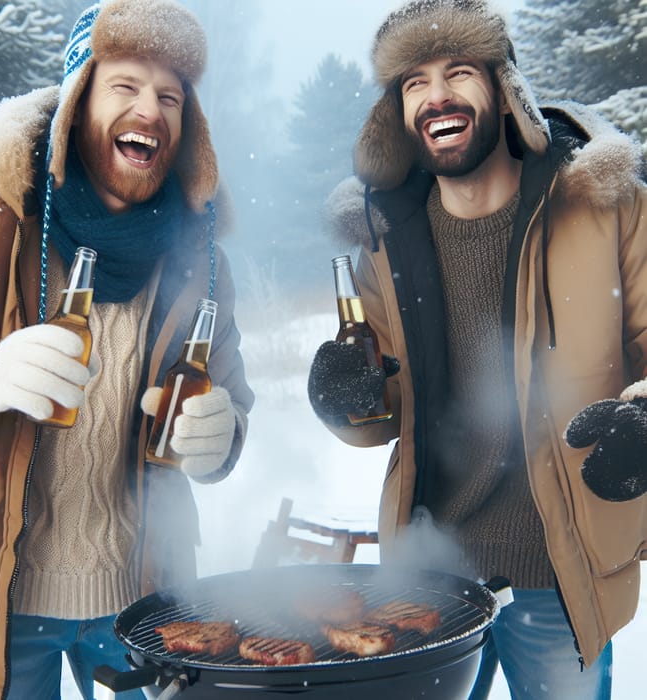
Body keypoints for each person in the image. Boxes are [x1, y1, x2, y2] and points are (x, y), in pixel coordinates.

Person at [307, 1, 646, 698]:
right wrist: (343, 400)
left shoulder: (606, 205)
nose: (436, 96)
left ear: (503, 90)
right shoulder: (387, 235)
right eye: (413, 83)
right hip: (426, 574)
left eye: (458, 72)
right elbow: (382, 410)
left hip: (562, 569)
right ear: (399, 114)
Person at [0, 1, 254, 698]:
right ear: (77, 101)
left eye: (170, 96)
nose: (151, 109)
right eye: (126, 87)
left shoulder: (200, 259)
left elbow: (233, 408)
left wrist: (221, 435)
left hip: (142, 603)